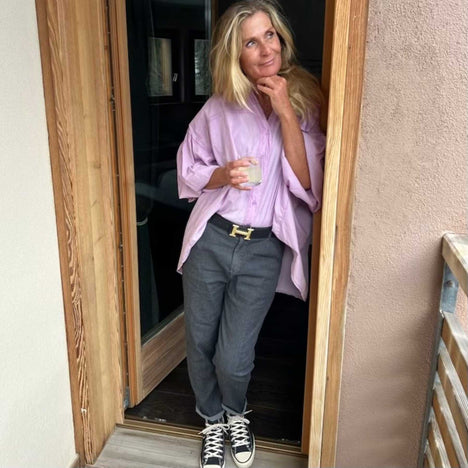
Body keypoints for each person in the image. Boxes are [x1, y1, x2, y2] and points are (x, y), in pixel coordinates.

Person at [176, 1, 325, 467]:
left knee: (234, 356)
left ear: (282, 39)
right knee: (200, 343)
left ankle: (236, 412)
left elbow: (310, 183)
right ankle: (212, 420)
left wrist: (285, 112)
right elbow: (189, 166)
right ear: (235, 55)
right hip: (212, 240)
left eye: (270, 36)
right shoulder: (219, 108)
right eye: (251, 42)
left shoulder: (305, 100)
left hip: (262, 249)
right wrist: (222, 175)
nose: (265, 50)